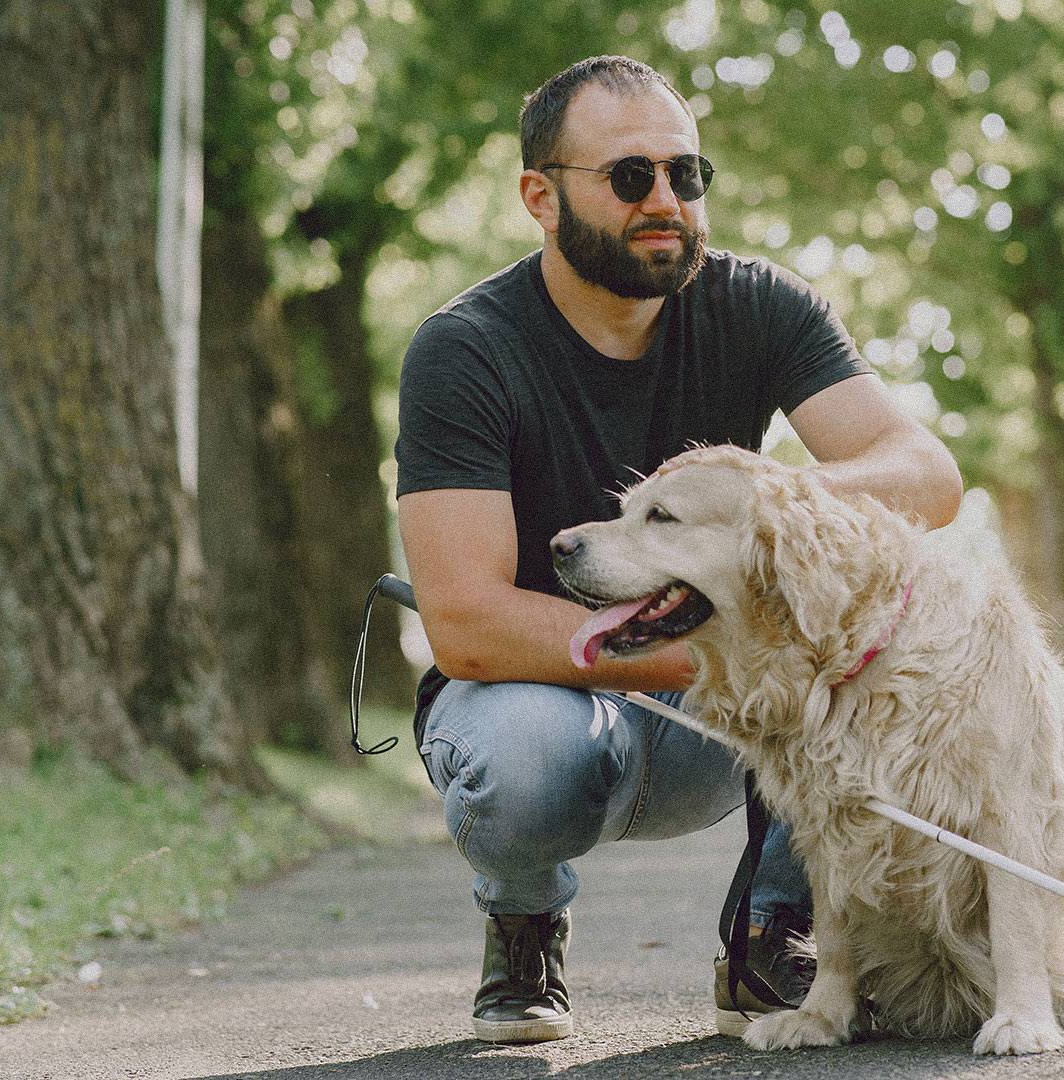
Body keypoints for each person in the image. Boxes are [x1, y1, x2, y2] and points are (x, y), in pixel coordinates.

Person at [394, 55, 962, 1044]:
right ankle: (525, 920)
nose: (666, 200)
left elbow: (923, 476)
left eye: (684, 174)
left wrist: (764, 504)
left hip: (713, 718)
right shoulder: (464, 349)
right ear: (540, 195)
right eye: (629, 176)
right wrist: (735, 655)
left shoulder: (759, 303)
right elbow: (468, 626)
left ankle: (775, 934)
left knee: (874, 624)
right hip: (542, 701)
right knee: (525, 755)